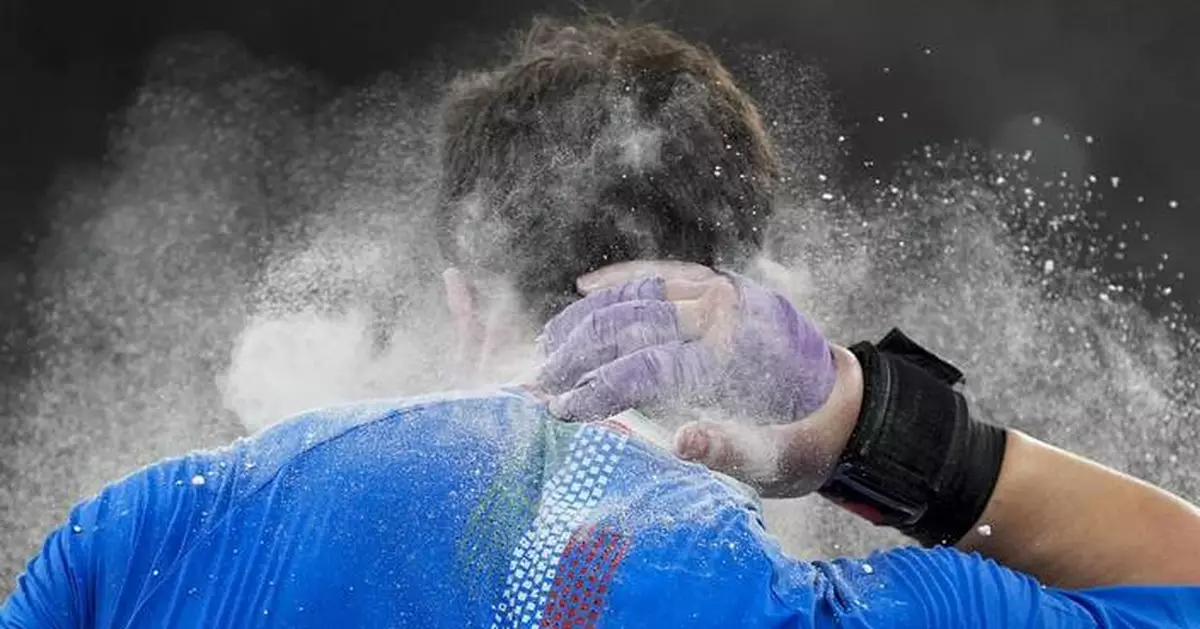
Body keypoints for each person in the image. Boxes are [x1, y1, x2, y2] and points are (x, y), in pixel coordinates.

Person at [3, 15, 1199, 628]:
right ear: (745, 301)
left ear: (464, 287)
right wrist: (855, 416)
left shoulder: (146, 534)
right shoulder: (773, 605)